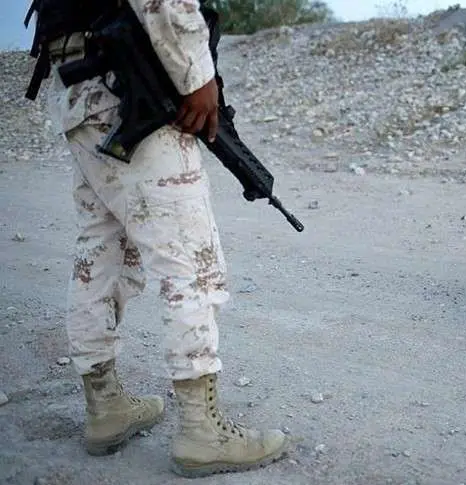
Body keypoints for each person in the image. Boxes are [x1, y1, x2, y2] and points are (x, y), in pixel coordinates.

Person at [25, 0, 287, 478]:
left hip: (81, 89)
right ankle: (202, 430)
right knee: (190, 257)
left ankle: (105, 406)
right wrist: (197, 75)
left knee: (102, 251)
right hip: (127, 80)